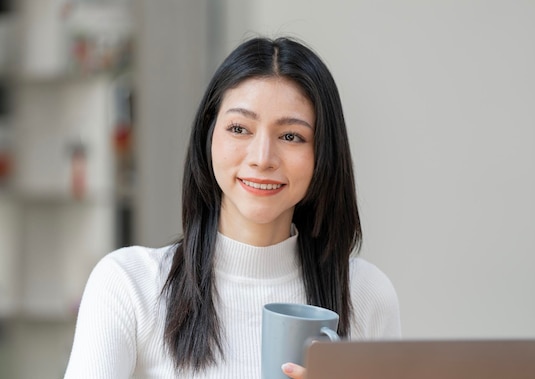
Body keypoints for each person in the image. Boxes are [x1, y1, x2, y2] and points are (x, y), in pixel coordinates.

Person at [64, 36, 401, 378]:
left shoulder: (366, 294)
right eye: (239, 129)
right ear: (209, 136)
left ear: (323, 154)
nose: (262, 158)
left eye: (291, 136)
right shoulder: (128, 285)